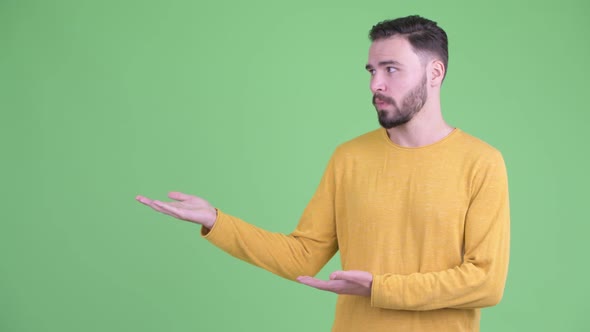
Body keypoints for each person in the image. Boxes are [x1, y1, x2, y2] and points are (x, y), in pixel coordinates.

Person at [136, 15, 510, 332]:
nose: (375, 84)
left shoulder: (481, 162)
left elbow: (485, 282)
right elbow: (302, 255)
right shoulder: (350, 157)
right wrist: (217, 221)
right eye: (372, 70)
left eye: (391, 69)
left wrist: (381, 289)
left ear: (435, 72)